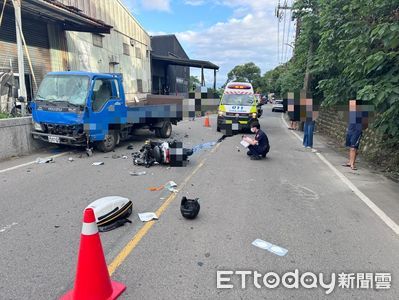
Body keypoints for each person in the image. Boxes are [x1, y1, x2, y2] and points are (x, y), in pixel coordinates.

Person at [343, 100, 365, 171]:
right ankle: (350, 162)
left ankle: (352, 164)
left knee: (353, 148)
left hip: (357, 131)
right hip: (350, 131)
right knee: (351, 147)